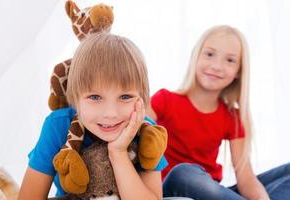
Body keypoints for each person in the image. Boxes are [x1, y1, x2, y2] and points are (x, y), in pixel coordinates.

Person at [18, 33, 168, 200]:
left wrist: (118, 153)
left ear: (142, 99)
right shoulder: (58, 125)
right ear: (75, 98)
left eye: (125, 97)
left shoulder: (147, 132)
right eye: (95, 97)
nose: (110, 113)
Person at [148, 25, 290, 200]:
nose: (216, 66)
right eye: (209, 54)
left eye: (230, 60)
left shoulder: (232, 117)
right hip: (173, 187)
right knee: (184, 172)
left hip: (213, 192)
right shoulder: (164, 100)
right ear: (195, 56)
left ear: (238, 71)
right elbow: (135, 137)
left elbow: (246, 179)